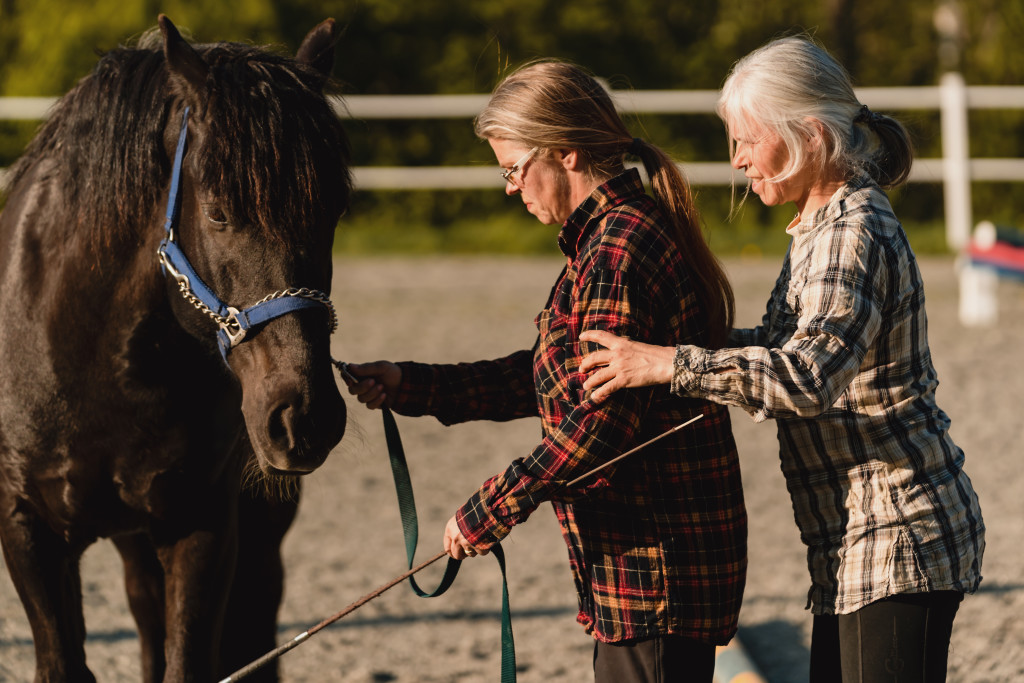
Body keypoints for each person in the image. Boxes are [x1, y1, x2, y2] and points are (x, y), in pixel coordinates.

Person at [578, 37, 985, 682]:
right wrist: (675, 345)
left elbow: (806, 378)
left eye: (747, 140)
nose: (737, 159)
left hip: (897, 534)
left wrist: (669, 364)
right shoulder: (818, 226)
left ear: (811, 134)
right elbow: (777, 349)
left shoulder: (852, 233)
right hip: (852, 542)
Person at [346, 60, 747, 682]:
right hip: (642, 569)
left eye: (513, 168)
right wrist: (413, 384)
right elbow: (546, 376)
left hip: (655, 567)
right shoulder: (606, 240)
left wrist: (494, 505)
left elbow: (604, 423)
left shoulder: (617, 252)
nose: (510, 188)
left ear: (564, 153)